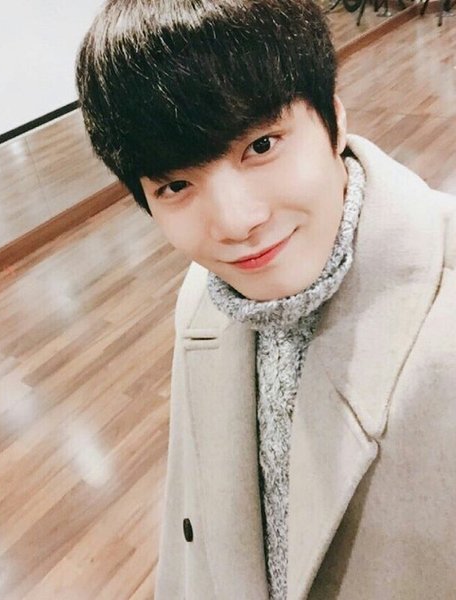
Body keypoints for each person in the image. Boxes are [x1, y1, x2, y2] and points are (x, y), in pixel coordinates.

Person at [76, 1, 456, 598]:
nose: (236, 222)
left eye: (261, 146)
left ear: (333, 118)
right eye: (176, 185)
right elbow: (193, 526)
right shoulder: (205, 299)